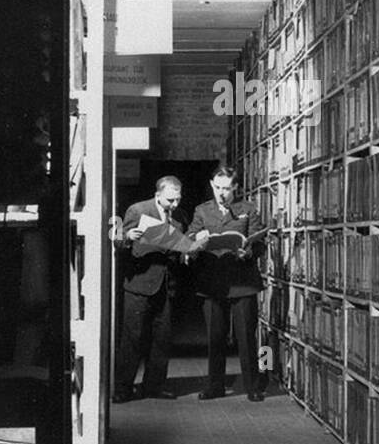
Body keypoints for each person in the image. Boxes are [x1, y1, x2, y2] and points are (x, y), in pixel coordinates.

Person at [113, 175, 206, 403]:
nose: (174, 205)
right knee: (132, 338)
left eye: (177, 200)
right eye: (170, 200)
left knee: (162, 339)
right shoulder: (137, 210)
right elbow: (119, 244)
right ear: (157, 195)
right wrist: (127, 237)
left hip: (167, 285)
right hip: (139, 283)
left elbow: (179, 247)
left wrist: (189, 251)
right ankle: (123, 388)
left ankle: (153, 386)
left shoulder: (180, 217)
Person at [189, 164, 267, 401]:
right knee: (215, 337)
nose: (222, 193)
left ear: (235, 187)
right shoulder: (202, 211)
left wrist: (249, 252)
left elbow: (258, 241)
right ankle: (215, 386)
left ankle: (252, 386)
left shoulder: (248, 209)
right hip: (212, 282)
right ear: (212, 185)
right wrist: (196, 241)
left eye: (227, 188)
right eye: (217, 187)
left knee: (246, 336)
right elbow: (190, 236)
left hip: (242, 281)